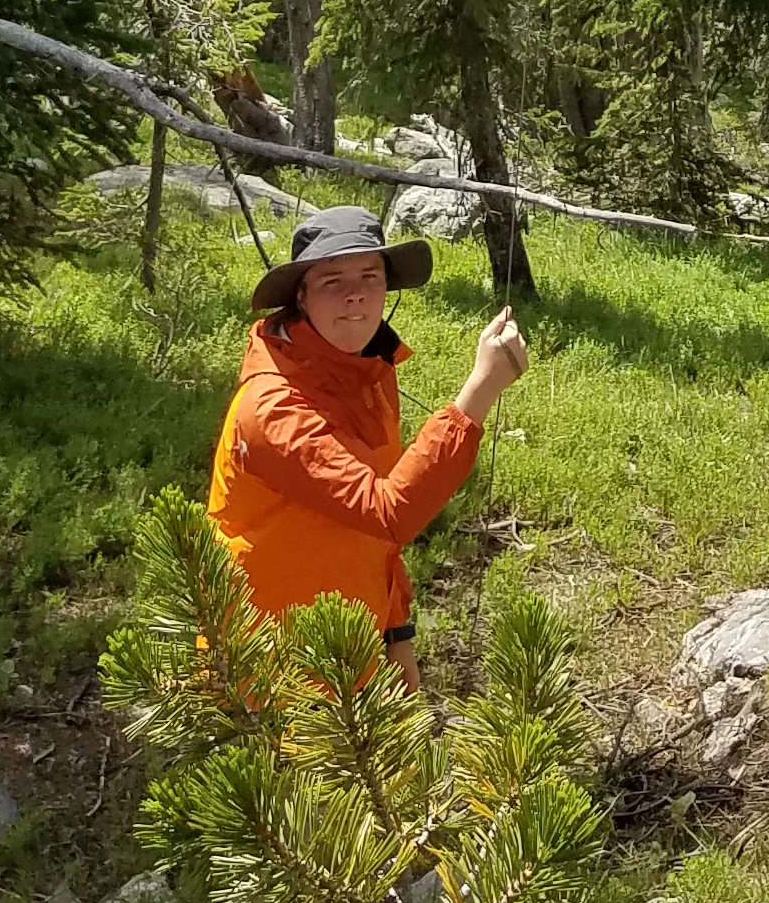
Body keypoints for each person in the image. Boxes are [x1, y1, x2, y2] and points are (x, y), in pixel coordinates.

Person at [205, 204, 529, 665]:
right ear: (301, 297)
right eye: (332, 281)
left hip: (351, 653)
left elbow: (375, 537)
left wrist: (397, 636)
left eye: (370, 277)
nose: (355, 296)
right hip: (267, 668)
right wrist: (479, 392)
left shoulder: (369, 371)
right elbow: (388, 512)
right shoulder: (271, 408)